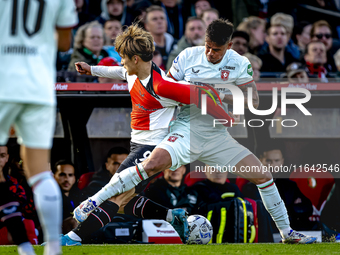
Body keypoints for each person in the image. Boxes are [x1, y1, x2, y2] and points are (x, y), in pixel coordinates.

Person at [74, 19, 316, 244]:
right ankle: (91, 202)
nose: (210, 53)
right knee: (150, 164)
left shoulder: (240, 64)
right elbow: (164, 88)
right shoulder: (188, 56)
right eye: (207, 47)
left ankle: (287, 233)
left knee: (263, 176)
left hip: (216, 136)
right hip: (186, 128)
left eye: (216, 49)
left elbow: (252, 98)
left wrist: (227, 99)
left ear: (229, 46)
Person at [62, 23, 234, 245]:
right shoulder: (134, 71)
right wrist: (92, 69)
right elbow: (119, 71)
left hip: (153, 148)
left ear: (135, 59)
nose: (120, 61)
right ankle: (173, 216)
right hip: (137, 144)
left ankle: (73, 237)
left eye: (123, 57)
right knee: (125, 200)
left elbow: (203, 94)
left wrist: (224, 118)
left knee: (115, 195)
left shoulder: (161, 86)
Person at [0, 0, 77, 254]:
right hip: (38, 87)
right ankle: (53, 246)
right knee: (40, 173)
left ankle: (24, 246)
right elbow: (65, 44)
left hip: (3, 82)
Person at [53, 160, 83, 234]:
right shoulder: (48, 197)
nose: (66, 179)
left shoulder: (79, 195)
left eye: (70, 175)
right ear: (54, 176)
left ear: (74, 178)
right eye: (62, 175)